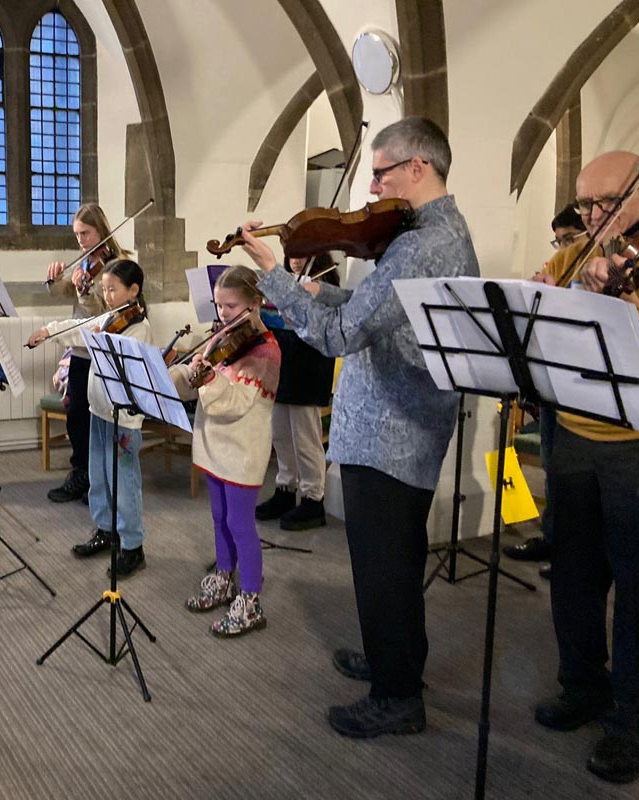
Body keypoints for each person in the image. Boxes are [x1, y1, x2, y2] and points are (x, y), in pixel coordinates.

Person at [239, 117, 480, 737]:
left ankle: (397, 697)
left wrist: (272, 279)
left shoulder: (424, 245)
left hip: (394, 433)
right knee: (389, 563)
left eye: (381, 172)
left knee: (385, 567)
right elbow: (365, 312)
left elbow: (342, 337)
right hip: (394, 428)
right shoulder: (424, 234)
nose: (372, 188)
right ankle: (392, 661)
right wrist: (299, 287)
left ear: (418, 168)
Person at [532, 151, 639, 784]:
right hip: (573, 435)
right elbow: (535, 324)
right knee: (574, 578)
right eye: (585, 204)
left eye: (607, 203)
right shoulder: (572, 256)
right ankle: (583, 684)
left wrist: (626, 301)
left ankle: (636, 719)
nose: (592, 217)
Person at [171, 265, 281, 637]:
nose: (223, 314)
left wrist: (208, 375)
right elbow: (196, 384)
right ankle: (224, 576)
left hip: (243, 450)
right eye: (219, 305)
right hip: (214, 446)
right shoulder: (224, 338)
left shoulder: (265, 352)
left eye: (231, 306)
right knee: (219, 517)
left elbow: (231, 403)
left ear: (255, 303)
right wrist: (175, 374)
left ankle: (250, 598)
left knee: (240, 524)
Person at [29, 259, 153, 576]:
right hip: (98, 410)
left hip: (123, 419)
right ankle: (106, 530)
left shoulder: (139, 327)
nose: (107, 295)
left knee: (124, 482)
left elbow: (126, 363)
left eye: (113, 289)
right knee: (98, 476)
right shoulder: (111, 317)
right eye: (105, 289)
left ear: (133, 290)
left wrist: (101, 337)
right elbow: (81, 329)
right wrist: (49, 331)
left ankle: (132, 545)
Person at [504, 204, 587, 578]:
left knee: (577, 479)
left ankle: (574, 550)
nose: (562, 247)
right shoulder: (560, 264)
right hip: (554, 385)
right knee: (555, 469)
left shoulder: (597, 265)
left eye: (570, 239)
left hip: (585, 393)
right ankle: (553, 538)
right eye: (559, 240)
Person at [44, 203, 127, 504]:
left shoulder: (117, 266)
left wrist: (86, 292)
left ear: (101, 230)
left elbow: (104, 314)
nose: (80, 240)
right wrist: (56, 281)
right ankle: (82, 472)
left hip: (101, 351)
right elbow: (66, 293)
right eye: (77, 234)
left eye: (86, 233)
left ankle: (94, 477)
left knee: (93, 416)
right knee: (76, 413)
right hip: (80, 349)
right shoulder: (87, 262)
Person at [255, 252, 339, 530]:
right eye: (292, 253)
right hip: (283, 364)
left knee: (305, 439)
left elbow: (326, 327)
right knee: (280, 434)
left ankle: (313, 499)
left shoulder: (325, 286)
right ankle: (285, 489)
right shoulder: (283, 281)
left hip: (309, 367)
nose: (296, 260)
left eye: (303, 253)